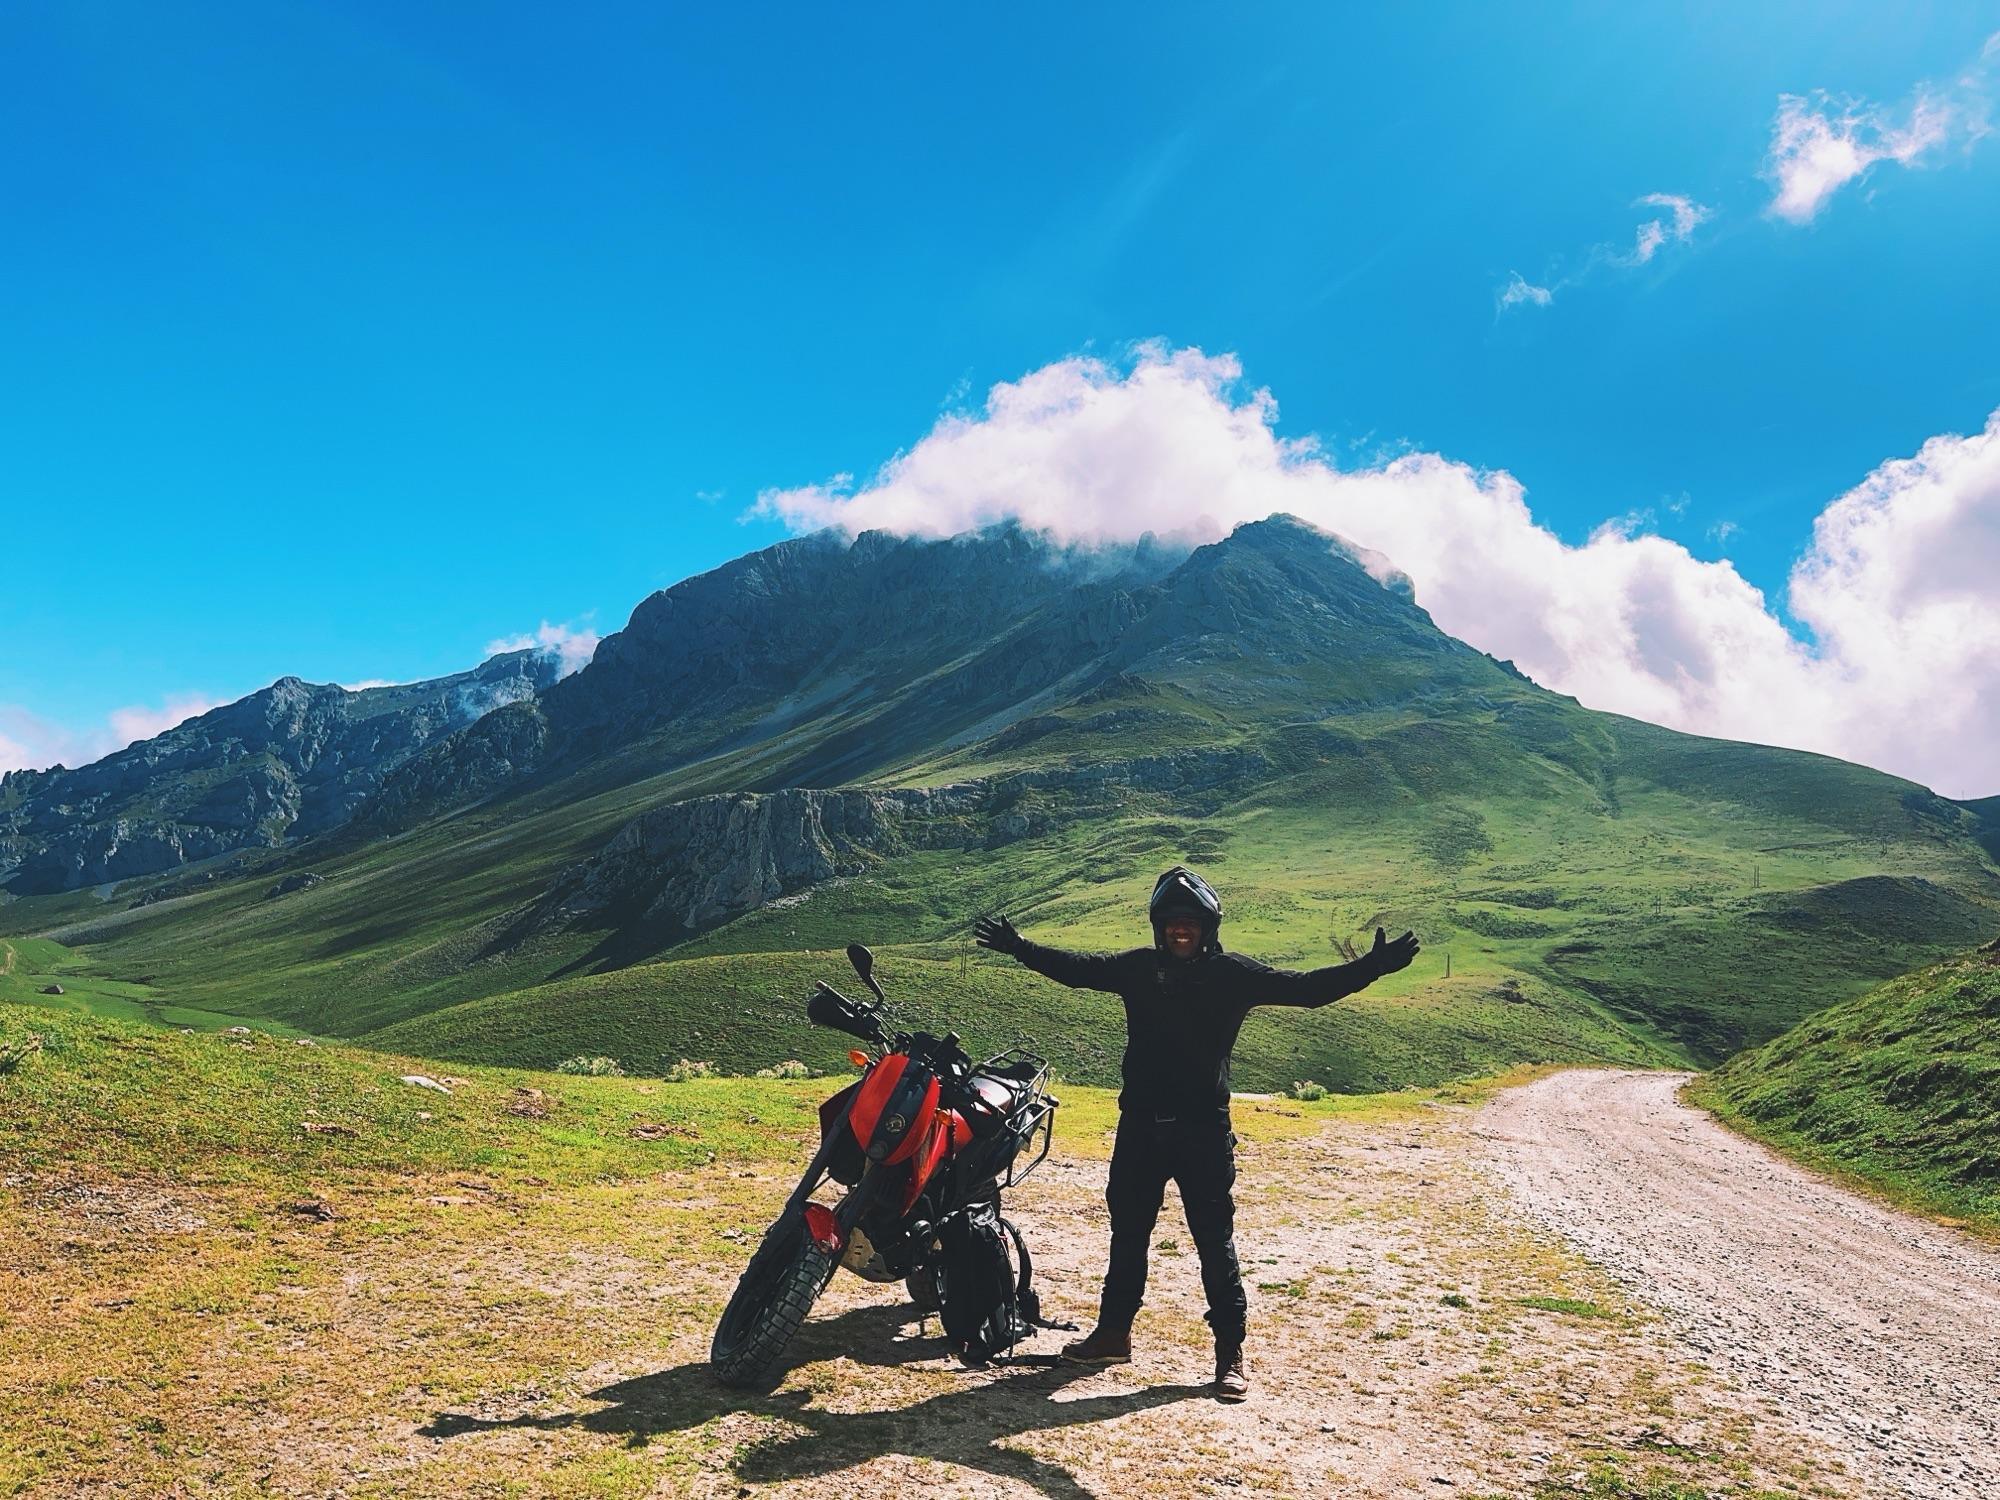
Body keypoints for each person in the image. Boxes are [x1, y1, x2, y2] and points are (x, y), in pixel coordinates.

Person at [973, 866, 1418, 1402]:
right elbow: (1077, 969)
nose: (1180, 929)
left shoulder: (1233, 974)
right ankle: (1113, 1334)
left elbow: (1305, 990)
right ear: (1158, 926)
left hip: (1203, 1132)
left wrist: (1370, 968)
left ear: (1208, 927)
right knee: (1128, 1235)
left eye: (1190, 922)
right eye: (1171, 922)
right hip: (1140, 1128)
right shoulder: (1138, 968)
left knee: (1214, 1241)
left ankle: (1230, 1355)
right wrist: (1020, 947)